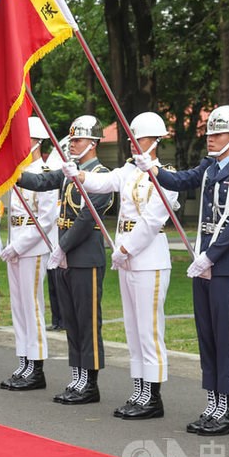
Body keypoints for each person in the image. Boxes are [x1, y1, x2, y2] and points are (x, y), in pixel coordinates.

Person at [137, 105, 229, 435]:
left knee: (224, 336)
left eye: (217, 134)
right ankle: (213, 402)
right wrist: (154, 169)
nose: (211, 140)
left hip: (226, 264)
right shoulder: (208, 168)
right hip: (202, 263)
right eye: (209, 134)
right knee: (206, 335)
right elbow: (181, 180)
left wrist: (212, 256)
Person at [72, 112, 178, 419]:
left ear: (155, 142)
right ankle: (139, 388)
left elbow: (152, 220)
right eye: (131, 138)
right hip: (128, 257)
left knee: (149, 329)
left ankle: (153, 395)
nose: (133, 144)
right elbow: (105, 181)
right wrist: (79, 175)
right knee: (133, 328)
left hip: (149, 258)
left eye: (139, 139)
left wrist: (125, 249)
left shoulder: (165, 176)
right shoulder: (130, 170)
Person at [17, 115, 112, 403]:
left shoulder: (101, 174)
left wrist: (63, 247)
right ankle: (77, 376)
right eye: (71, 140)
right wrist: (11, 174)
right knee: (71, 320)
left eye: (79, 140)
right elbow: (41, 180)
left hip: (84, 257)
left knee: (87, 321)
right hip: (67, 257)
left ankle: (90, 383)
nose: (72, 145)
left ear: (93, 144)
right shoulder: (70, 171)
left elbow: (87, 217)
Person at [0, 117, 58, 391]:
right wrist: (10, 244)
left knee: (32, 306)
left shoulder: (45, 172)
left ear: (34, 142)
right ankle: (23, 360)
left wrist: (18, 246)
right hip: (16, 246)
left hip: (33, 248)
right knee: (19, 307)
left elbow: (45, 220)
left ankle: (36, 364)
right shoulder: (17, 173)